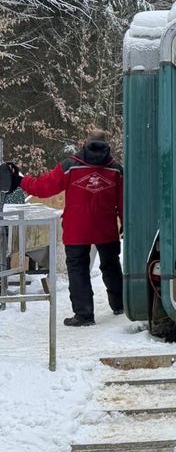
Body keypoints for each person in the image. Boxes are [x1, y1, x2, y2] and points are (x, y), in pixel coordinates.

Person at [6, 130, 123, 327]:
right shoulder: (116, 169)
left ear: (85, 143)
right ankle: (120, 305)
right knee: (111, 266)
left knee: (78, 270)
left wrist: (20, 180)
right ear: (106, 144)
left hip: (77, 229)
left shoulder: (70, 166)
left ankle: (84, 315)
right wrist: (124, 222)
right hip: (106, 226)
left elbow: (44, 187)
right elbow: (124, 200)